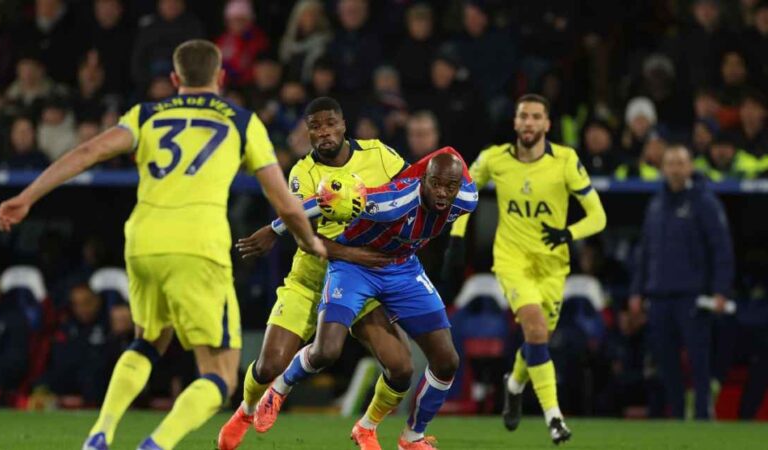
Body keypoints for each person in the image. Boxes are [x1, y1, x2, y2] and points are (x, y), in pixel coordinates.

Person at [0, 39, 324, 450]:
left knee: (149, 340)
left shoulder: (147, 113)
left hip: (143, 240)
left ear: (174, 80)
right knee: (220, 374)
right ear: (220, 78)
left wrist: (27, 195)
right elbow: (285, 202)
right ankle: (157, 444)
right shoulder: (242, 122)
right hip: (197, 244)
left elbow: (91, 150)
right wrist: (311, 241)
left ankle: (101, 431)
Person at [218, 97, 416, 450]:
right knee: (268, 366)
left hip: (359, 281)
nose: (323, 132)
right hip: (311, 281)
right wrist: (358, 253)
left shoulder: (378, 154)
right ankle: (246, 411)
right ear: (307, 132)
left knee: (401, 368)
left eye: (329, 124)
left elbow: (411, 188)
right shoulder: (302, 174)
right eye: (315, 127)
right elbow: (306, 238)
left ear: (343, 125)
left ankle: (367, 428)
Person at [254, 147, 477, 450]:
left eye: (450, 186)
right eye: (435, 183)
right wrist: (273, 228)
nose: (441, 193)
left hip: (403, 269)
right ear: (424, 178)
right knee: (326, 351)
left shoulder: (467, 199)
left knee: (447, 361)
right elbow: (322, 203)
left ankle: (408, 437)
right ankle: (280, 388)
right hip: (355, 268)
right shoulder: (391, 201)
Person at [444, 94, 607, 443]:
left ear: (547, 124)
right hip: (512, 261)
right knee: (535, 329)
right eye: (524, 116)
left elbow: (599, 216)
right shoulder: (495, 158)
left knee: (538, 338)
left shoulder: (566, 160)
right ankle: (555, 419)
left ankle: (515, 384)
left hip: (552, 266)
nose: (529, 122)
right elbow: (462, 192)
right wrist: (456, 239)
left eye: (536, 117)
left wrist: (568, 233)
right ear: (515, 123)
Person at [629, 145, 734, 420]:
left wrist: (720, 290)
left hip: (692, 296)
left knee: (699, 362)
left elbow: (721, 249)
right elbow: (645, 251)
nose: (675, 169)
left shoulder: (704, 202)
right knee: (666, 364)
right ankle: (677, 418)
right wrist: (636, 291)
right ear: (663, 168)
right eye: (670, 163)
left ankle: (702, 415)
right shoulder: (656, 204)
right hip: (659, 296)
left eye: (680, 163)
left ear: (690, 167)